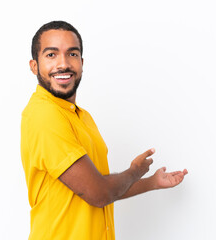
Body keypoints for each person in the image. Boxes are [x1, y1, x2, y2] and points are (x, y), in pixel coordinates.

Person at [21, 20, 188, 240]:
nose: (63, 64)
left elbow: (100, 186)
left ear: (81, 62)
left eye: (72, 54)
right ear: (34, 65)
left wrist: (151, 182)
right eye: (51, 55)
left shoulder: (81, 116)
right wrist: (135, 171)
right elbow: (99, 193)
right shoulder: (44, 115)